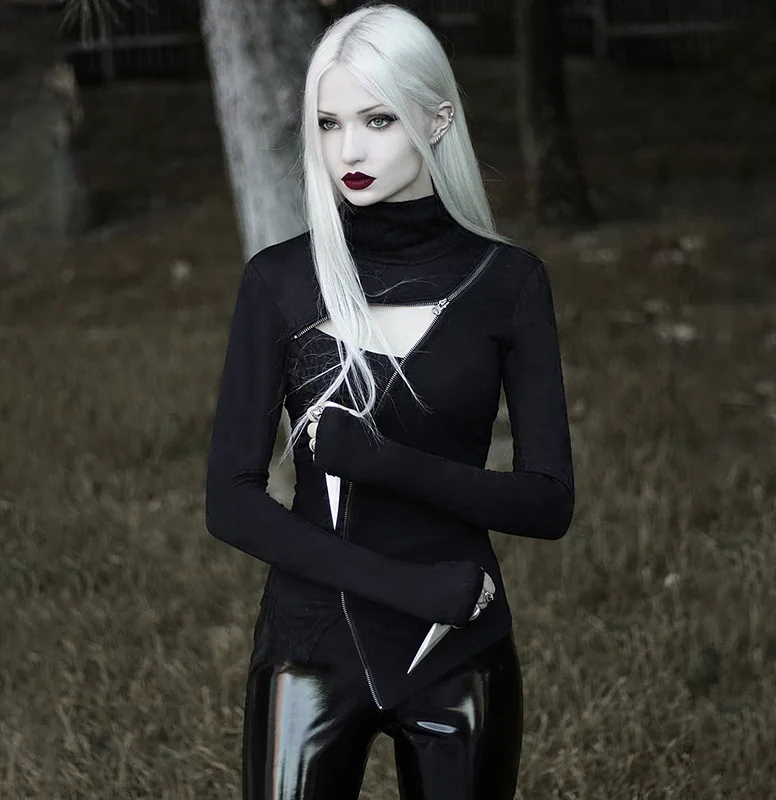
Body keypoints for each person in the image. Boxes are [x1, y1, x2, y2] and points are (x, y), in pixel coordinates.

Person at [204, 3, 575, 798]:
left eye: (378, 119)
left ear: (437, 119)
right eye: (329, 123)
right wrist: (409, 589)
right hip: (310, 646)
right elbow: (229, 501)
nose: (349, 150)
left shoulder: (510, 284)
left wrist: (385, 463)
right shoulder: (280, 281)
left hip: (456, 648)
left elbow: (549, 504)